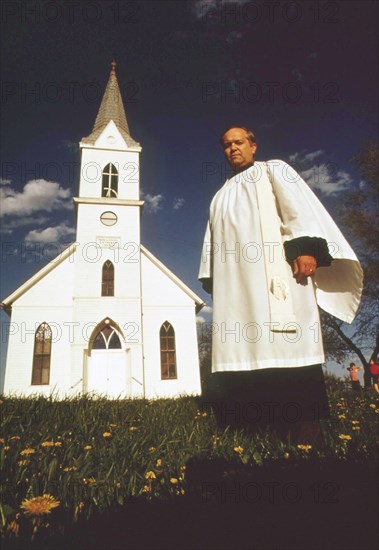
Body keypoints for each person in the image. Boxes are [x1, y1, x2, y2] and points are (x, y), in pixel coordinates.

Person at [199, 126, 363, 443]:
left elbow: (297, 209)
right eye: (226, 145)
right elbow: (212, 243)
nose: (232, 148)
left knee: (289, 344)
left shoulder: (273, 170)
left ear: (253, 145)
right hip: (237, 287)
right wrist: (214, 279)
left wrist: (304, 249)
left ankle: (305, 427)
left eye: (238, 142)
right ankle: (256, 428)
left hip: (278, 277)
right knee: (243, 348)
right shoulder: (219, 196)